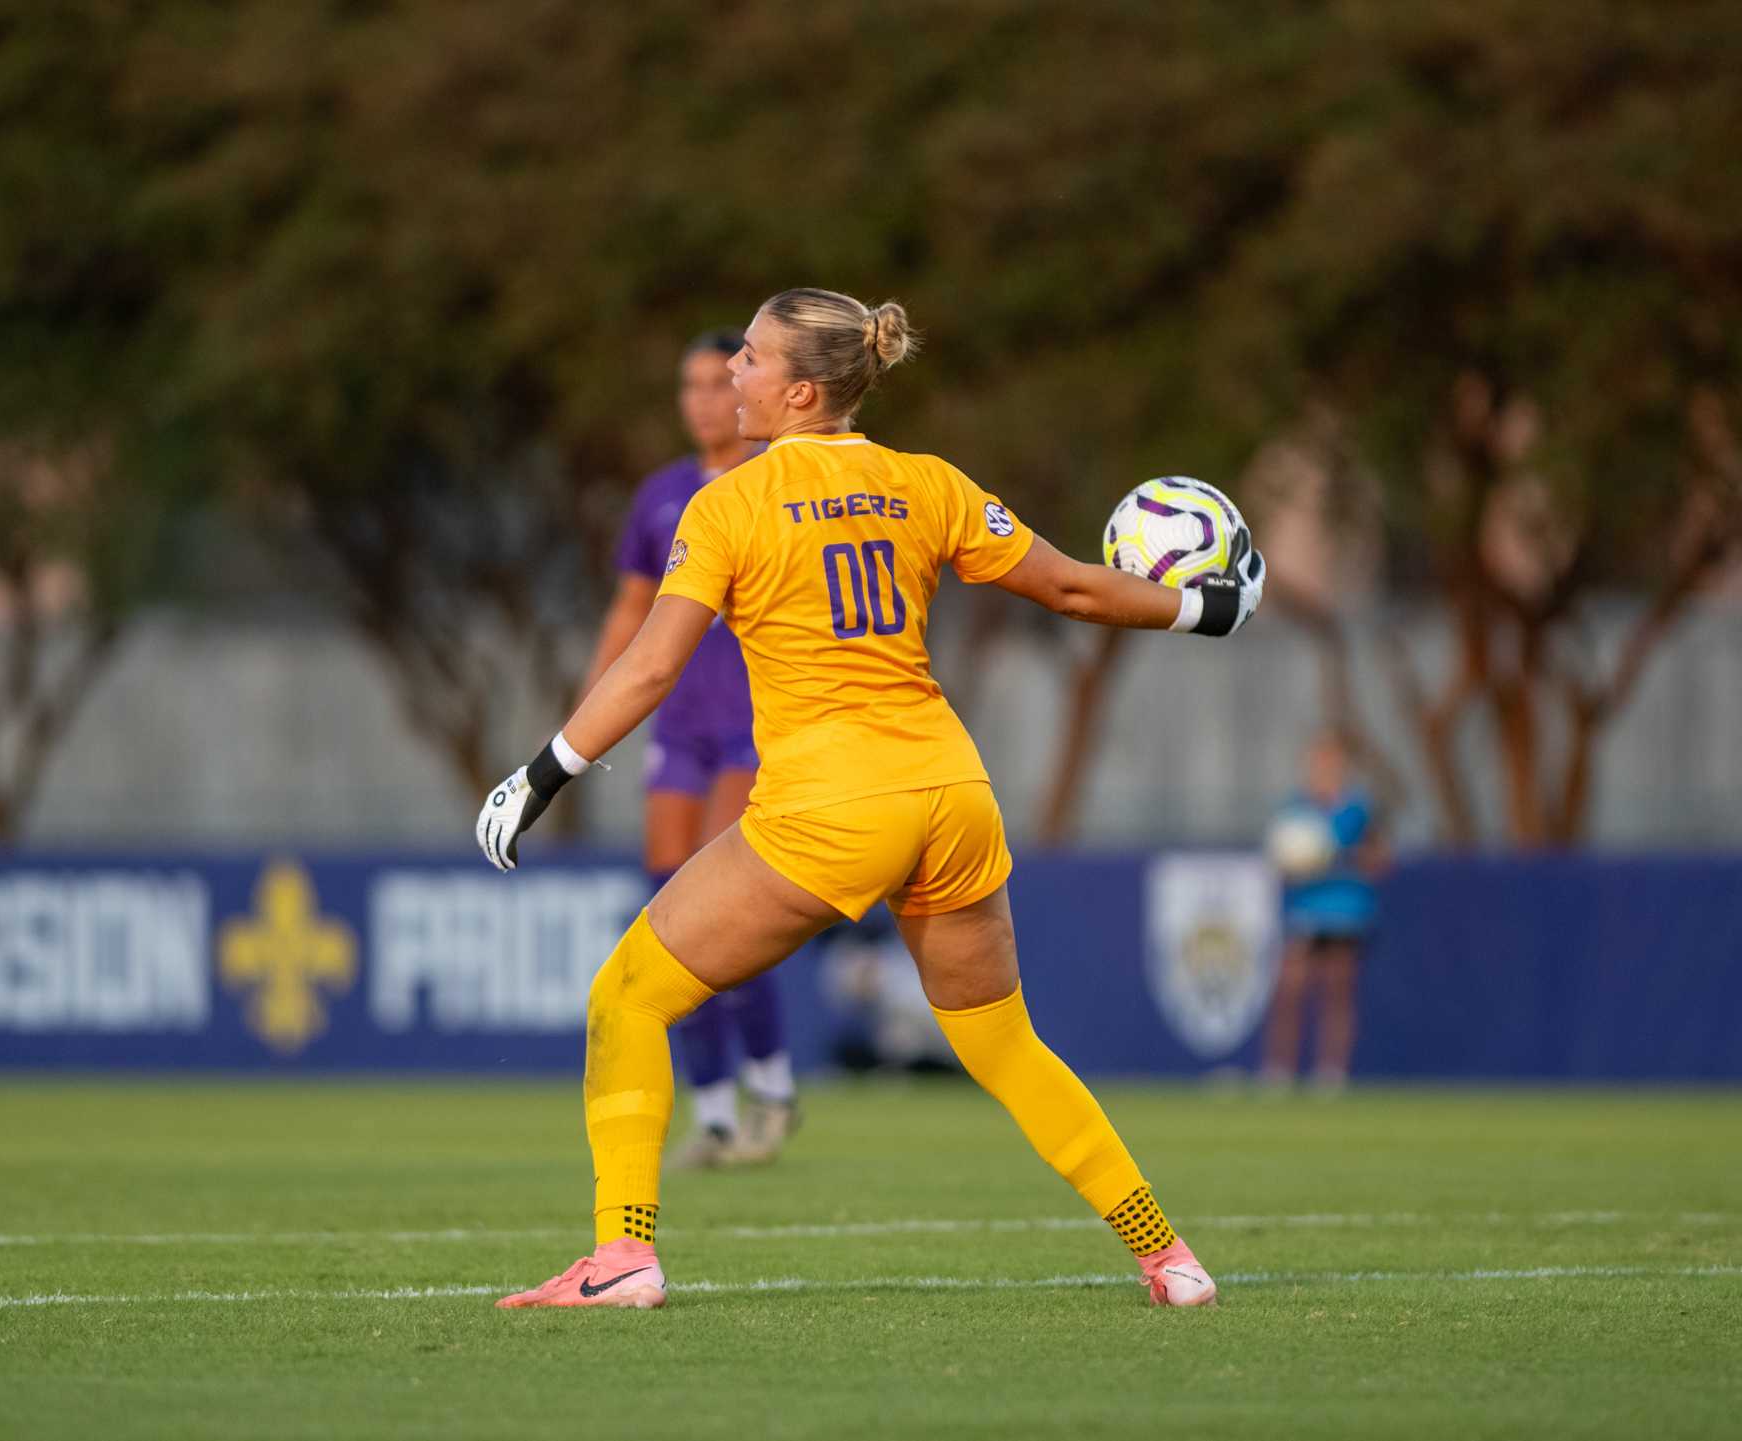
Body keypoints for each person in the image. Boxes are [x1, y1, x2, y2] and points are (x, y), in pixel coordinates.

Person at [477, 286, 1267, 1311]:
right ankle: (1170, 1257)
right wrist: (1205, 608)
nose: (730, 376)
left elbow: (647, 670)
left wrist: (540, 773)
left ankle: (622, 1256)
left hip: (831, 809)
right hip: (950, 794)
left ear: (803, 392)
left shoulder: (729, 501)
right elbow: (1074, 586)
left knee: (627, 998)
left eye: (751, 361)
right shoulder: (924, 482)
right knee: (1003, 1042)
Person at [582, 328, 798, 1170]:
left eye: (722, 379)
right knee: (670, 908)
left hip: (755, 724)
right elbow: (630, 613)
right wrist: (586, 720)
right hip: (679, 729)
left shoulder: (777, 482)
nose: (708, 399)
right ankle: (712, 1112)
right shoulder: (662, 496)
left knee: (729, 908)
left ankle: (772, 1085)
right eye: (693, 385)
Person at [1259, 733, 1387, 1092]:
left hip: (1347, 909)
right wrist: (1298, 864)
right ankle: (1279, 1072)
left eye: (1331, 763)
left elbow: (1379, 860)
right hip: (1307, 909)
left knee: (1338, 989)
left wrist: (1348, 858)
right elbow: (1280, 864)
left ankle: (1331, 1073)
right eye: (1319, 763)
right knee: (1291, 987)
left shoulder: (1357, 810)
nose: (1324, 770)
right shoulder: (1295, 808)